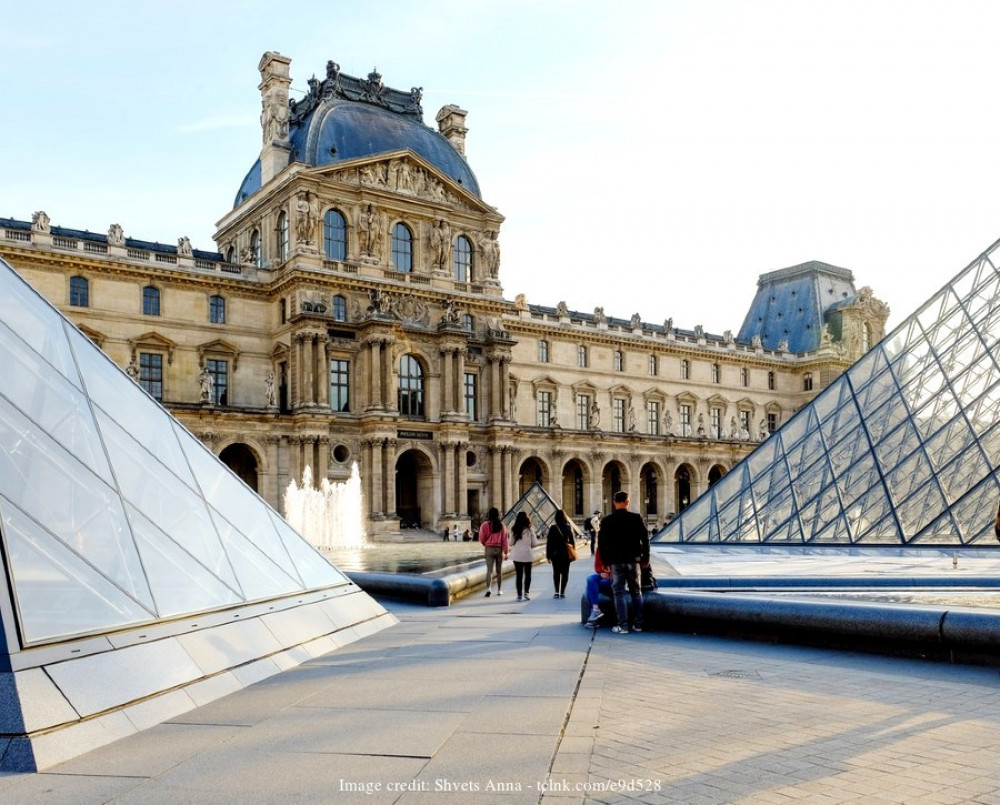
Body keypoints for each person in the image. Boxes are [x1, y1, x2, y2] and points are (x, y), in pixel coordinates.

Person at [598, 491, 648, 634]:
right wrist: (645, 558)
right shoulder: (636, 518)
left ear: (614, 503)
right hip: (634, 561)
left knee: (618, 593)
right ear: (627, 502)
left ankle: (623, 625)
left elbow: (601, 544)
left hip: (616, 562)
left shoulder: (607, 521)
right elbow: (645, 540)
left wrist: (605, 562)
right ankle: (638, 624)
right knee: (636, 592)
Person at [509, 511, 540, 601]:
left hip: (517, 555)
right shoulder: (530, 530)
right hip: (527, 555)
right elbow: (535, 543)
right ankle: (526, 592)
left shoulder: (514, 530)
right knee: (528, 575)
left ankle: (519, 595)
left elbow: (510, 543)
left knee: (519, 575)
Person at [478, 507, 509, 597]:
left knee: (489, 570)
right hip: (499, 549)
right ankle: (499, 590)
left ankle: (489, 589)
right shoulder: (502, 525)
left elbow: (481, 538)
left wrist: (486, 544)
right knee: (499, 571)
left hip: (489, 548)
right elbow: (505, 540)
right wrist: (506, 552)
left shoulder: (484, 525)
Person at [546, 509, 575, 598]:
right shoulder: (568, 527)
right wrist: (572, 552)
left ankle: (556, 592)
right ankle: (562, 592)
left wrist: (548, 555)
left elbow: (549, 542)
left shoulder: (553, 528)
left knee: (556, 572)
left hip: (555, 554)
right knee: (565, 573)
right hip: (566, 554)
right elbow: (572, 542)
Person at [583, 546, 613, 627]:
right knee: (590, 579)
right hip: (604, 576)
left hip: (615, 577)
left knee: (590, 587)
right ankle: (595, 610)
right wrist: (601, 573)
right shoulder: (600, 548)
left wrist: (611, 574)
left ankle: (594, 619)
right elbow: (597, 566)